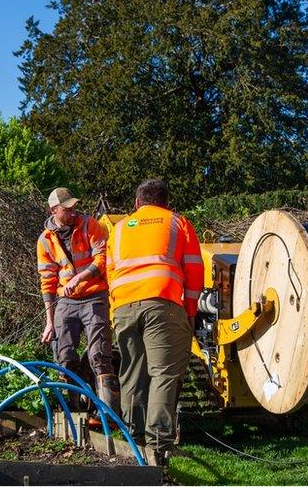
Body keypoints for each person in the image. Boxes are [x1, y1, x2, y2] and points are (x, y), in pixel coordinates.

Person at [106, 178, 204, 464]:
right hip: (162, 302)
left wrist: (117, 306)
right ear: (165, 202)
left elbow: (109, 271)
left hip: (124, 305)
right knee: (163, 373)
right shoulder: (178, 223)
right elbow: (194, 269)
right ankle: (158, 444)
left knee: (132, 373)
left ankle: (131, 439)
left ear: (137, 203)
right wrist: (190, 309)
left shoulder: (121, 228)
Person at [36, 187, 120, 415]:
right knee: (65, 357)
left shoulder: (91, 225)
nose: (73, 211)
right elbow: (47, 282)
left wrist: (80, 277)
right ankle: (73, 413)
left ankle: (109, 416)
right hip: (66, 302)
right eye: (67, 208)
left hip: (94, 296)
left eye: (74, 206)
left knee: (100, 355)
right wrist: (49, 322)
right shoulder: (45, 241)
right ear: (54, 210)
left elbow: (102, 258)